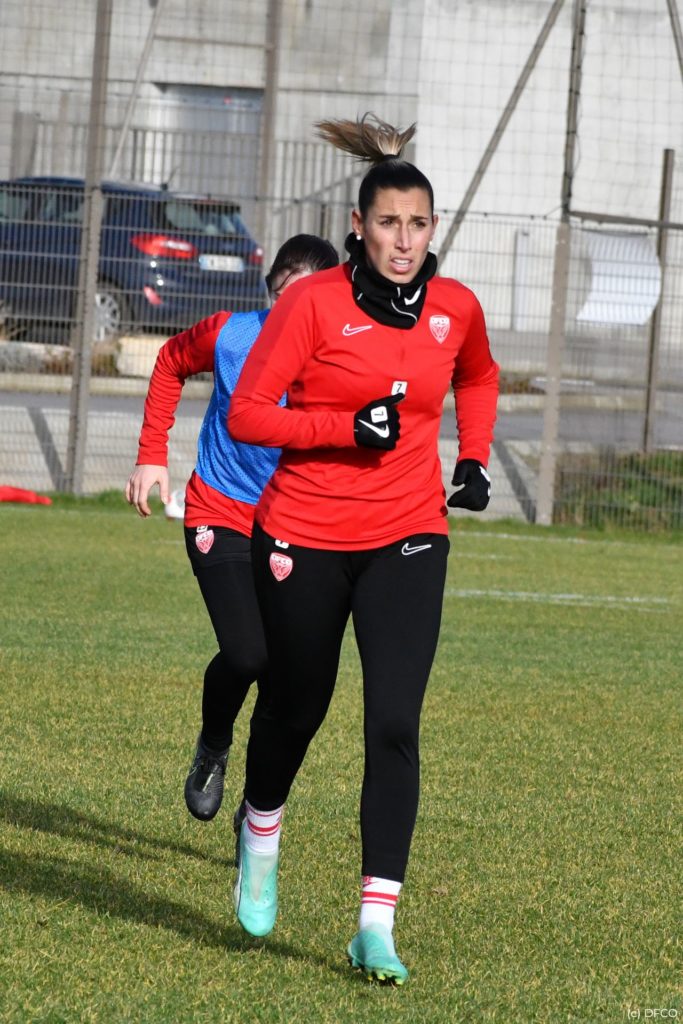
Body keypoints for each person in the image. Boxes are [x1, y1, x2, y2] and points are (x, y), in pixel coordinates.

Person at [226, 114, 500, 984]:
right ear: (358, 225)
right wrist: (344, 426)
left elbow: (479, 375)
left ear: (433, 227)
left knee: (393, 723)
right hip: (303, 532)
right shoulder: (310, 303)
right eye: (388, 223)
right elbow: (248, 414)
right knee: (296, 709)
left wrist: (472, 457)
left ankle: (374, 925)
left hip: (409, 533)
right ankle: (259, 828)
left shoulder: (455, 308)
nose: (404, 241)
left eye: (418, 224)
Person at [125, 235, 339, 832]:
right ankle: (213, 747)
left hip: (296, 526)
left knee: (286, 682)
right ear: (272, 293)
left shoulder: (344, 360)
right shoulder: (232, 335)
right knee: (248, 652)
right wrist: (151, 454)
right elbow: (170, 360)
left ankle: (259, 809)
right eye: (287, 296)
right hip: (219, 510)